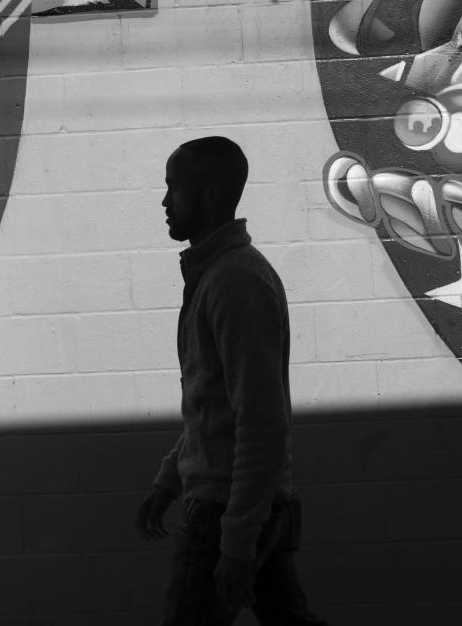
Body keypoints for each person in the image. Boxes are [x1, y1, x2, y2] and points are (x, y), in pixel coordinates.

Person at [137, 136, 325, 626]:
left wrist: (237, 540)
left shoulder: (234, 282)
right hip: (244, 506)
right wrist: (169, 483)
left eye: (174, 189)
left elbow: (262, 423)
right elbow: (213, 408)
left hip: (227, 512)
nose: (164, 201)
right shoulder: (216, 276)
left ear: (211, 196)